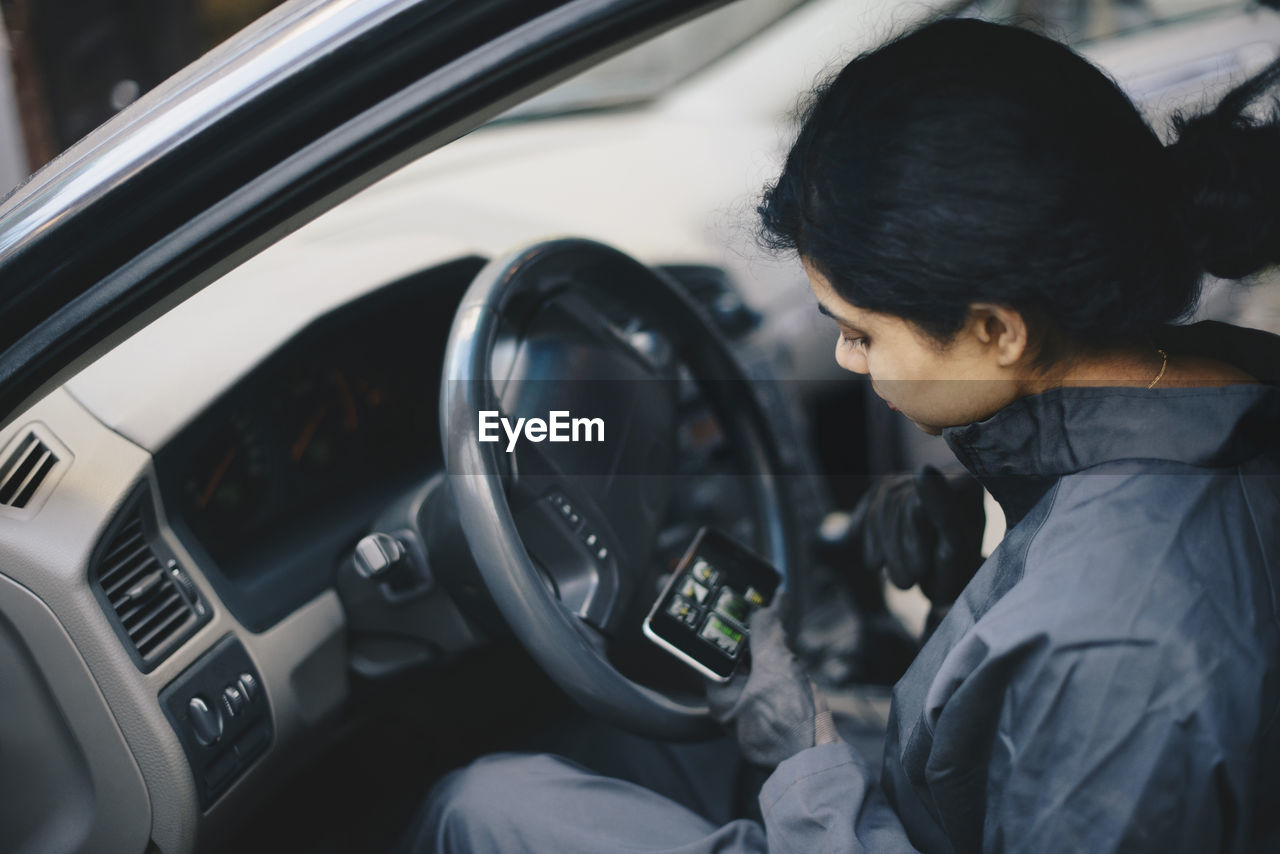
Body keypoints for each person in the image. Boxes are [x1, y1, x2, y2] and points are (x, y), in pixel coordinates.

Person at [401, 17, 1280, 853]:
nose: (843, 356)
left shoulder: (1111, 653)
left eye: (861, 331)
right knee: (635, 742)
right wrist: (974, 588)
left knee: (479, 808)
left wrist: (804, 756)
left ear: (998, 331)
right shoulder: (1224, 393)